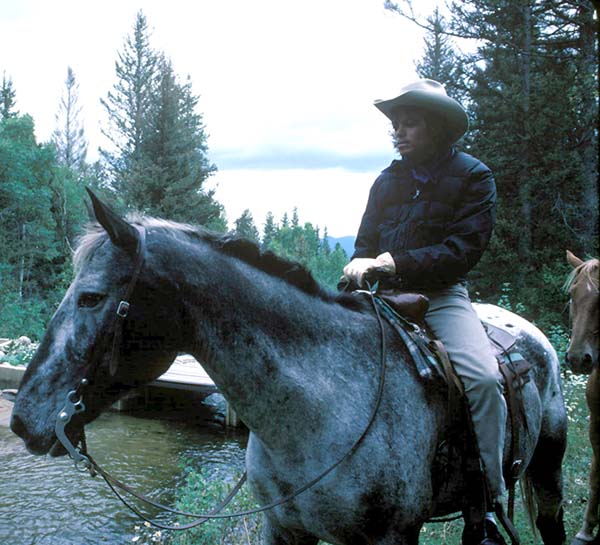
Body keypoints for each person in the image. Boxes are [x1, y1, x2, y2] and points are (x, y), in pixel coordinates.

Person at [342, 79, 508, 545]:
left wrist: (397, 263)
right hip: (381, 297)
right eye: (396, 124)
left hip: (441, 295)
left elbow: (463, 250)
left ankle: (489, 501)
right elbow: (365, 243)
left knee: (483, 379)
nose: (398, 131)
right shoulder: (386, 181)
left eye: (409, 123)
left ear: (436, 127)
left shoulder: (473, 176)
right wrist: (358, 266)